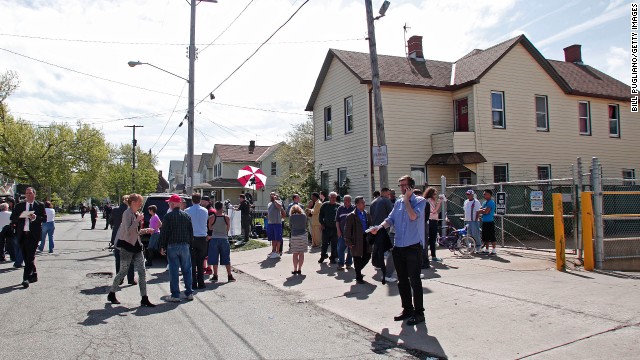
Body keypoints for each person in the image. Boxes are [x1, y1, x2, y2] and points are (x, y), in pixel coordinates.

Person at [370, 175, 427, 326]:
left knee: (414, 280)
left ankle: (419, 312)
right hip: (399, 246)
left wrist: (408, 200)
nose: (401, 188)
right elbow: (390, 219)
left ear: (411, 187)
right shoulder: (398, 203)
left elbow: (413, 216)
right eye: (400, 185)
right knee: (402, 281)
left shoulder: (420, 201)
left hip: (413, 247)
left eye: (404, 185)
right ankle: (407, 309)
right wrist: (380, 227)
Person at [107, 194, 155, 307]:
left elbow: (136, 232)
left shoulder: (136, 213)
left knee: (142, 272)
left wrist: (146, 230)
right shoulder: (127, 213)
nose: (141, 204)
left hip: (137, 246)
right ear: (133, 202)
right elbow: (128, 230)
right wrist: (137, 220)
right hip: (127, 246)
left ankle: (144, 298)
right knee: (123, 272)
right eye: (139, 202)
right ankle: (112, 293)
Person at [159, 194, 194, 302]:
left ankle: (175, 295)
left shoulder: (168, 217)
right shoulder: (186, 216)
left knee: (174, 271)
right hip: (184, 245)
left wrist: (162, 246)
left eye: (170, 202)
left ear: (173, 203)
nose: (169, 204)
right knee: (187, 269)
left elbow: (164, 233)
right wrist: (189, 245)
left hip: (172, 246)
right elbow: (190, 232)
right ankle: (189, 292)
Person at [10, 187, 46, 288]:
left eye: (30, 193)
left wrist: (36, 218)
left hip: (33, 235)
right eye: (26, 193)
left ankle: (26, 279)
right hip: (22, 234)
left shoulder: (40, 205)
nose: (28, 195)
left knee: (30, 256)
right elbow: (12, 217)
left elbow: (44, 218)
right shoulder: (20, 205)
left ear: (34, 194)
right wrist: (21, 216)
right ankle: (34, 275)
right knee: (26, 257)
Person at [370, 188, 396, 284]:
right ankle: (383, 267)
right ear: (385, 193)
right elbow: (392, 214)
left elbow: (371, 214)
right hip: (384, 227)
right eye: (389, 194)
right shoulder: (386, 201)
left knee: (377, 247)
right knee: (385, 248)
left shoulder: (373, 202)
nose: (390, 195)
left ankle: (376, 263)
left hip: (375, 227)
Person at [344, 196, 372, 284]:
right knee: (357, 258)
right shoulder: (351, 216)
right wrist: (348, 242)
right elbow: (347, 230)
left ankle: (358, 270)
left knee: (367, 255)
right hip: (355, 239)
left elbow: (370, 225)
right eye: (362, 203)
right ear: (357, 204)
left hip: (365, 238)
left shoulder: (366, 214)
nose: (364, 204)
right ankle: (358, 276)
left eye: (364, 202)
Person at [185, 193, 209, 290]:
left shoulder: (187, 211)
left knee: (192, 262)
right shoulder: (205, 210)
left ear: (192, 200)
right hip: (202, 238)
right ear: (200, 200)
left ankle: (193, 283)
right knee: (201, 261)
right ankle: (201, 282)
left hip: (192, 237)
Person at [208, 201, 236, 282]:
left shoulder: (211, 218)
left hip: (214, 238)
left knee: (214, 258)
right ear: (222, 207)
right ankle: (229, 275)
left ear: (215, 207)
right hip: (224, 239)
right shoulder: (227, 217)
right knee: (226, 258)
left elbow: (210, 228)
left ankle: (215, 275)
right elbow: (228, 229)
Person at [111, 195, 135, 284]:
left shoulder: (115, 210)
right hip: (128, 237)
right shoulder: (131, 212)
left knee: (118, 259)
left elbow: (111, 221)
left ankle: (119, 279)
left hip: (117, 236)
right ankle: (131, 279)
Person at [318, 192, 340, 264]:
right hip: (326, 228)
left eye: (334, 197)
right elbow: (320, 215)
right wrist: (321, 223)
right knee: (324, 244)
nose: (333, 198)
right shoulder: (325, 205)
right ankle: (322, 256)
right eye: (332, 197)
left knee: (334, 244)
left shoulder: (338, 206)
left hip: (335, 228)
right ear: (329, 197)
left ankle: (333, 258)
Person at [425, 187, 444, 265]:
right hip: (431, 221)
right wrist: (439, 202)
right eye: (434, 194)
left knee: (433, 239)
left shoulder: (432, 201)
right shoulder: (429, 201)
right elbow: (433, 211)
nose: (435, 196)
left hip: (434, 221)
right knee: (431, 239)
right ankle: (431, 255)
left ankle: (433, 255)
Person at [335, 195, 354, 270]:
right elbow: (337, 221)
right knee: (340, 248)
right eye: (344, 200)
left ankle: (348, 263)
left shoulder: (354, 208)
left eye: (347, 200)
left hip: (351, 234)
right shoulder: (340, 208)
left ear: (350, 201)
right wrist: (338, 230)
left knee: (350, 249)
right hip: (342, 233)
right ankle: (341, 263)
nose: (345, 201)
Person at [288, 205, 308, 275]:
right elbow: (306, 224)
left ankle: (295, 269)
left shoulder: (291, 217)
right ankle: (300, 269)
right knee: (301, 254)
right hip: (303, 236)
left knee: (295, 254)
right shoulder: (304, 216)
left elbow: (290, 226)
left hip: (294, 236)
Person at [266, 192, 286, 258]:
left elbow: (279, 207)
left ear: (276, 196)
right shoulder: (269, 204)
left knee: (278, 238)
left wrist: (275, 200)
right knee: (273, 238)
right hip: (270, 223)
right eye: (270, 195)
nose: (271, 196)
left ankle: (278, 252)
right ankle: (273, 251)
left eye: (273, 195)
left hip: (277, 223)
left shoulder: (278, 202)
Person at [478, 189, 497, 255]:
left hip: (490, 222)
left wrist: (483, 210)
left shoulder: (491, 202)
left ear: (489, 194)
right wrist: (483, 210)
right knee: (485, 236)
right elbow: (479, 210)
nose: (483, 195)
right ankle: (487, 249)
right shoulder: (484, 203)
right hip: (484, 221)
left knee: (491, 236)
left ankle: (494, 250)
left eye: (485, 194)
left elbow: (486, 211)